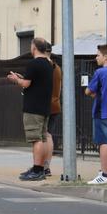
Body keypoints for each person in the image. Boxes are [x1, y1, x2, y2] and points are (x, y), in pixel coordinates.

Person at [7, 37, 53, 181]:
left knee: (36, 139)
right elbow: (35, 80)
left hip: (33, 107)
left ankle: (37, 169)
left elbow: (26, 84)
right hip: (45, 106)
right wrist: (23, 77)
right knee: (43, 137)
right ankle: (42, 168)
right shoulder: (48, 63)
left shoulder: (33, 63)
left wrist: (16, 80)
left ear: (34, 48)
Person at [85, 44, 107, 185]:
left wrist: (92, 92)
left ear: (105, 57)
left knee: (103, 143)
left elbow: (88, 91)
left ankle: (104, 174)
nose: (96, 57)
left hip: (101, 111)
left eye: (98, 55)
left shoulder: (100, 72)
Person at [43, 43, 61, 177]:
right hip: (55, 104)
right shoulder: (58, 68)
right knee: (49, 134)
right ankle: (46, 166)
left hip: (44, 105)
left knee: (44, 136)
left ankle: (42, 166)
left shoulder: (45, 67)